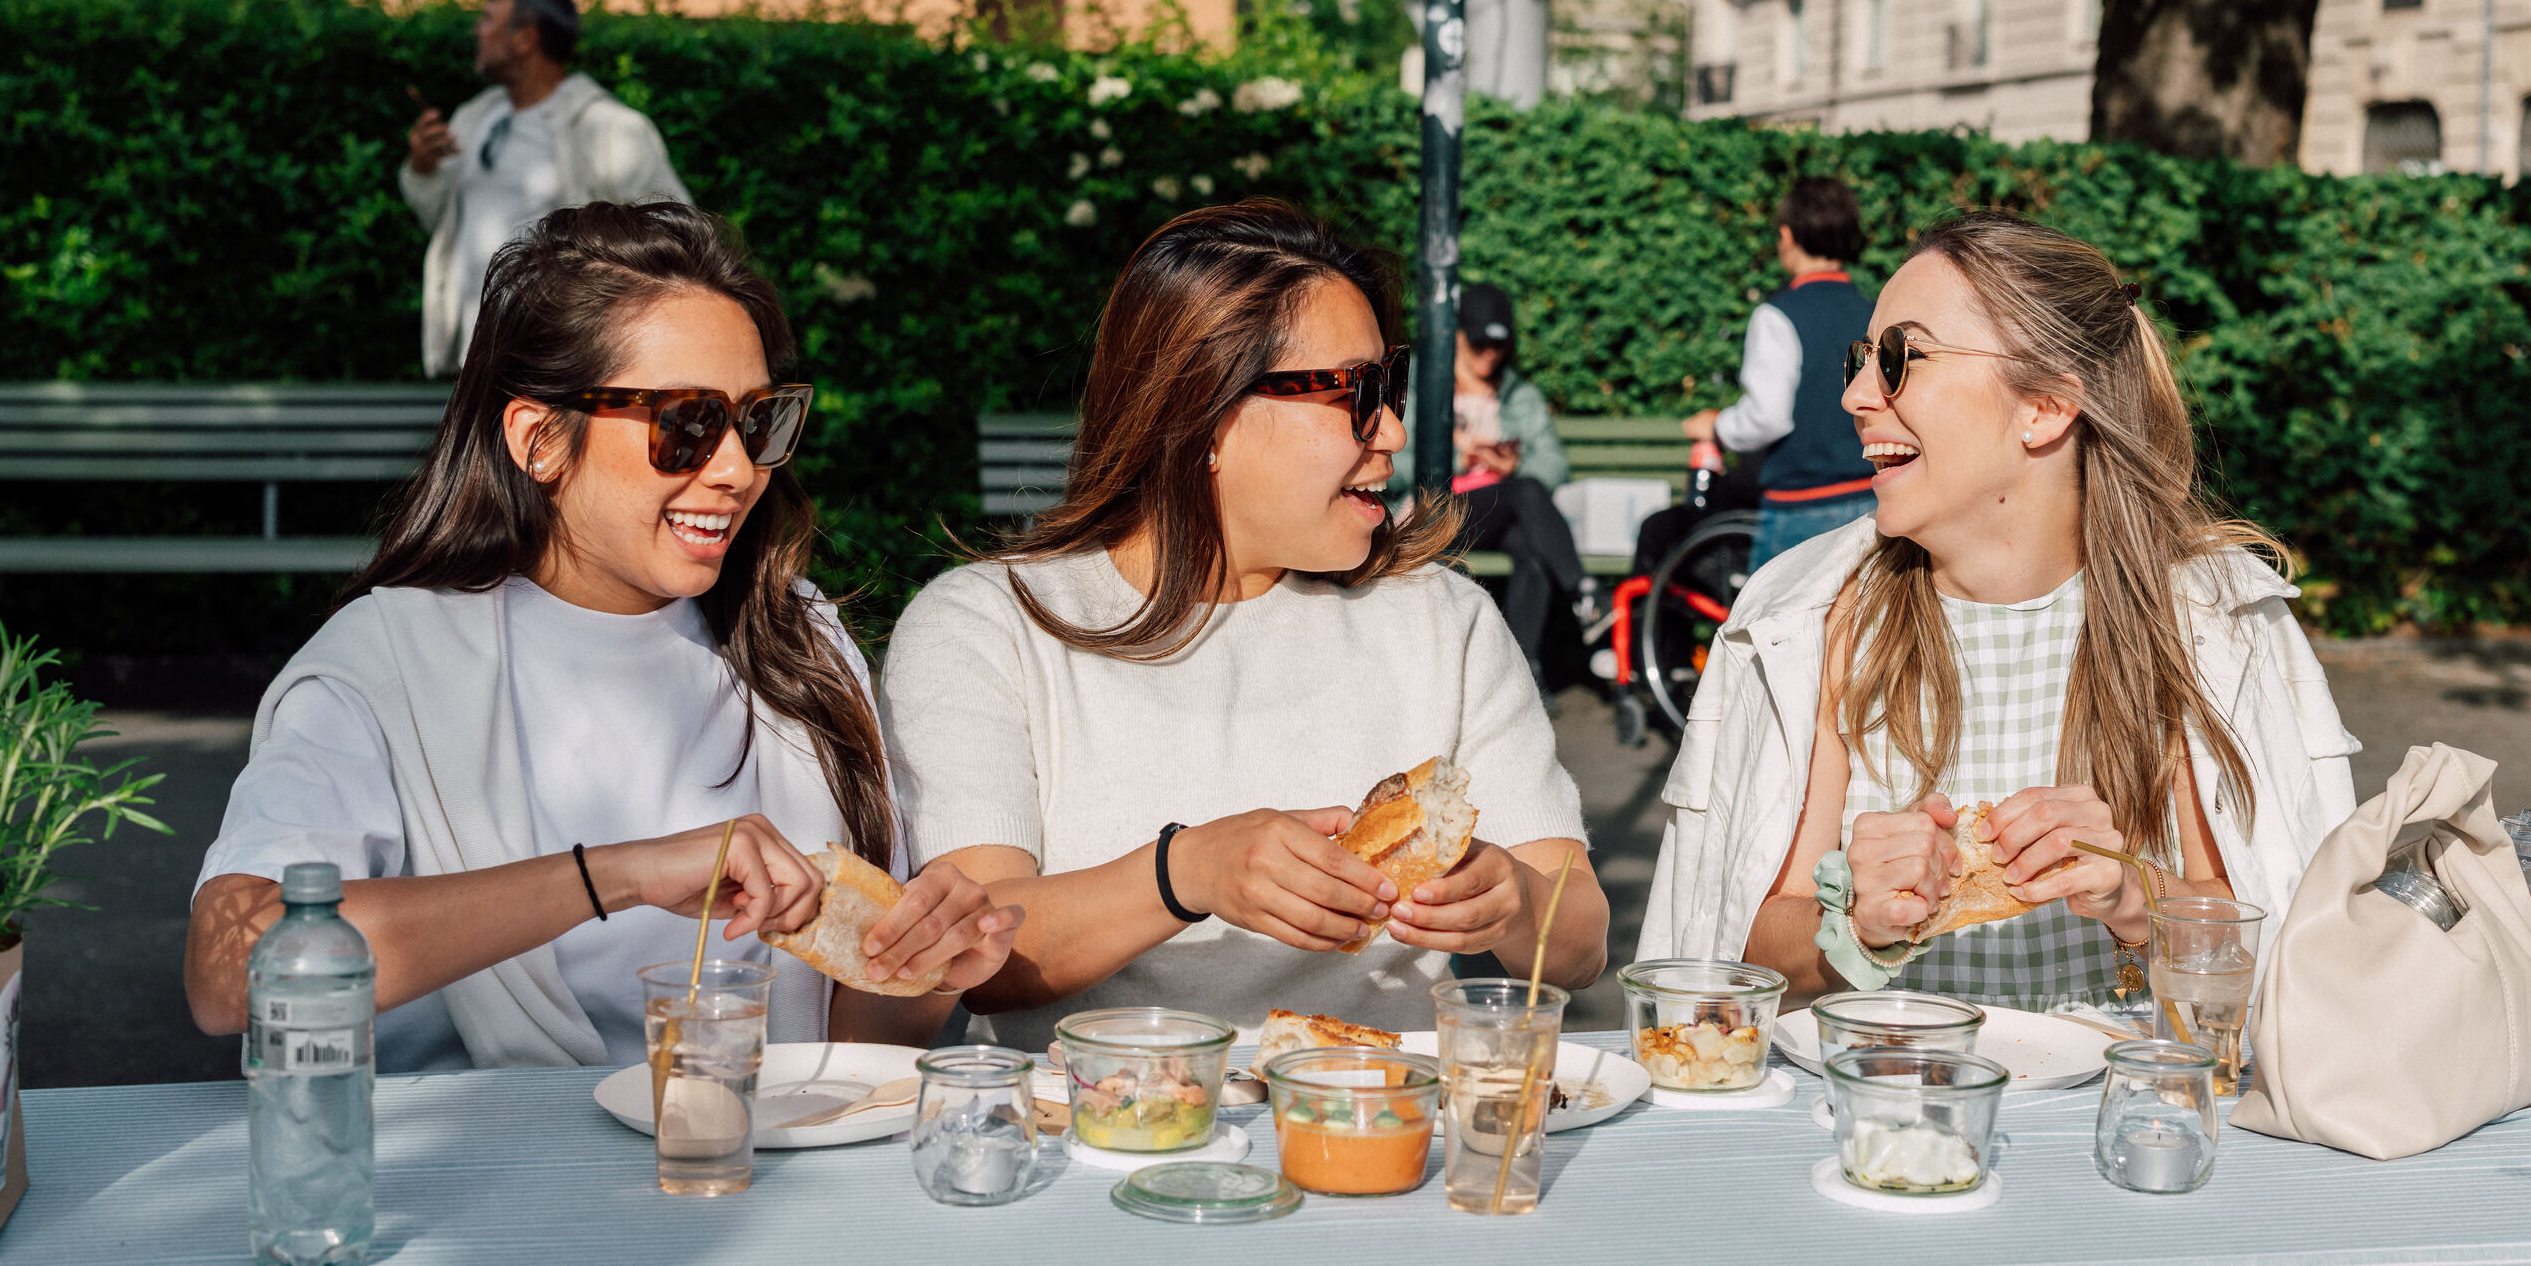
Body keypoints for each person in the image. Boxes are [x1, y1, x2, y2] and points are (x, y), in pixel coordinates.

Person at [185, 203, 1020, 1072]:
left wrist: (931, 970)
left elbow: (848, 1054)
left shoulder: (795, 642)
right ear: (540, 439)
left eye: (759, 421)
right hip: (486, 1158)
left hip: (747, 1152)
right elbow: (227, 973)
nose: (737, 469)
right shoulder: (386, 665)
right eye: (686, 423)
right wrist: (614, 876)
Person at [883, 202, 1607, 1053]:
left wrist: (1513, 899)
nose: (1394, 430)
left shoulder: (1443, 621)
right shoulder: (985, 627)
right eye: (1356, 393)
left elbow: (1581, 944)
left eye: (1392, 385)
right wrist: (1184, 873)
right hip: (1101, 1120)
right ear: (1203, 412)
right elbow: (975, 957)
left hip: (1381, 1115)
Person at [1638, 212, 2360, 1013]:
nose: (1855, 395)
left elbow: (2287, 946)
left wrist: (2133, 894)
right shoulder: (1820, 621)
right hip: (1885, 1082)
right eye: (1859, 359)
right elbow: (1736, 948)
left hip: (2124, 1083)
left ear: (2044, 406)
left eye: (1899, 358)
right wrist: (1853, 925)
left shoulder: (2199, 624)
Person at [401, 0, 692, 378]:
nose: (477, 30)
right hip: (476, 358)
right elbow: (439, 219)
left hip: (559, 361)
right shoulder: (474, 118)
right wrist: (423, 167)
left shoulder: (606, 128)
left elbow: (671, 228)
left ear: (525, 38)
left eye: (488, 19)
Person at [1388, 282, 1594, 684]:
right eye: (1479, 343)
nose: (1489, 354)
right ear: (1456, 336)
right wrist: (1454, 460)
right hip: (1434, 510)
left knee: (1532, 548)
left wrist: (1512, 464)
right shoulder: (1420, 388)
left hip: (1498, 514)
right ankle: (1585, 594)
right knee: (1526, 492)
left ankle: (1523, 676)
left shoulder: (1518, 395)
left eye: (1498, 345)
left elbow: (1554, 462)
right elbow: (1392, 462)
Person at [1679, 177, 1880, 574]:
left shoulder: (1776, 315)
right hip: (1871, 496)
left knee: (1774, 611)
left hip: (1801, 504)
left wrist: (1717, 427)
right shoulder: (1873, 311)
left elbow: (1768, 416)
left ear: (1787, 236)